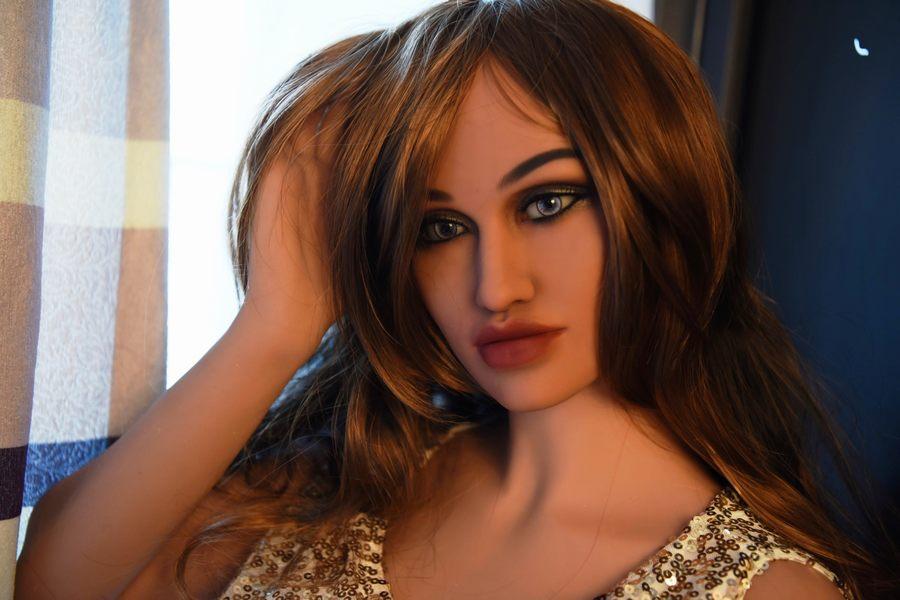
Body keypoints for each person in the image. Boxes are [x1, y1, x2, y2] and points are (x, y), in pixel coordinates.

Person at [15, 1, 898, 599]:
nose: (496, 287)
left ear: (659, 194)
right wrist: (276, 326)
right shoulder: (351, 475)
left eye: (547, 203)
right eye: (439, 228)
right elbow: (56, 583)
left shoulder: (768, 590)